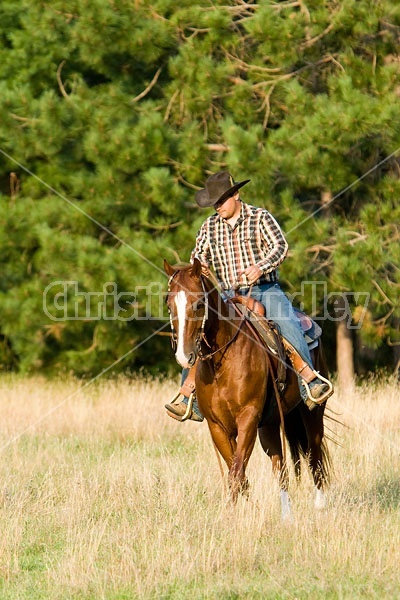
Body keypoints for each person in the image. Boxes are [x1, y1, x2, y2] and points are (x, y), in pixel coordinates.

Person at [165, 171, 332, 422]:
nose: (218, 206)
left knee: (286, 323)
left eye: (221, 200)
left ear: (236, 194)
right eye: (214, 203)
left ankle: (308, 379)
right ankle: (190, 395)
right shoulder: (210, 226)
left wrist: (259, 268)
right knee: (200, 329)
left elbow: (280, 247)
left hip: (265, 290)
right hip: (228, 294)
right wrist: (200, 268)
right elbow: (197, 256)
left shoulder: (259, 217)